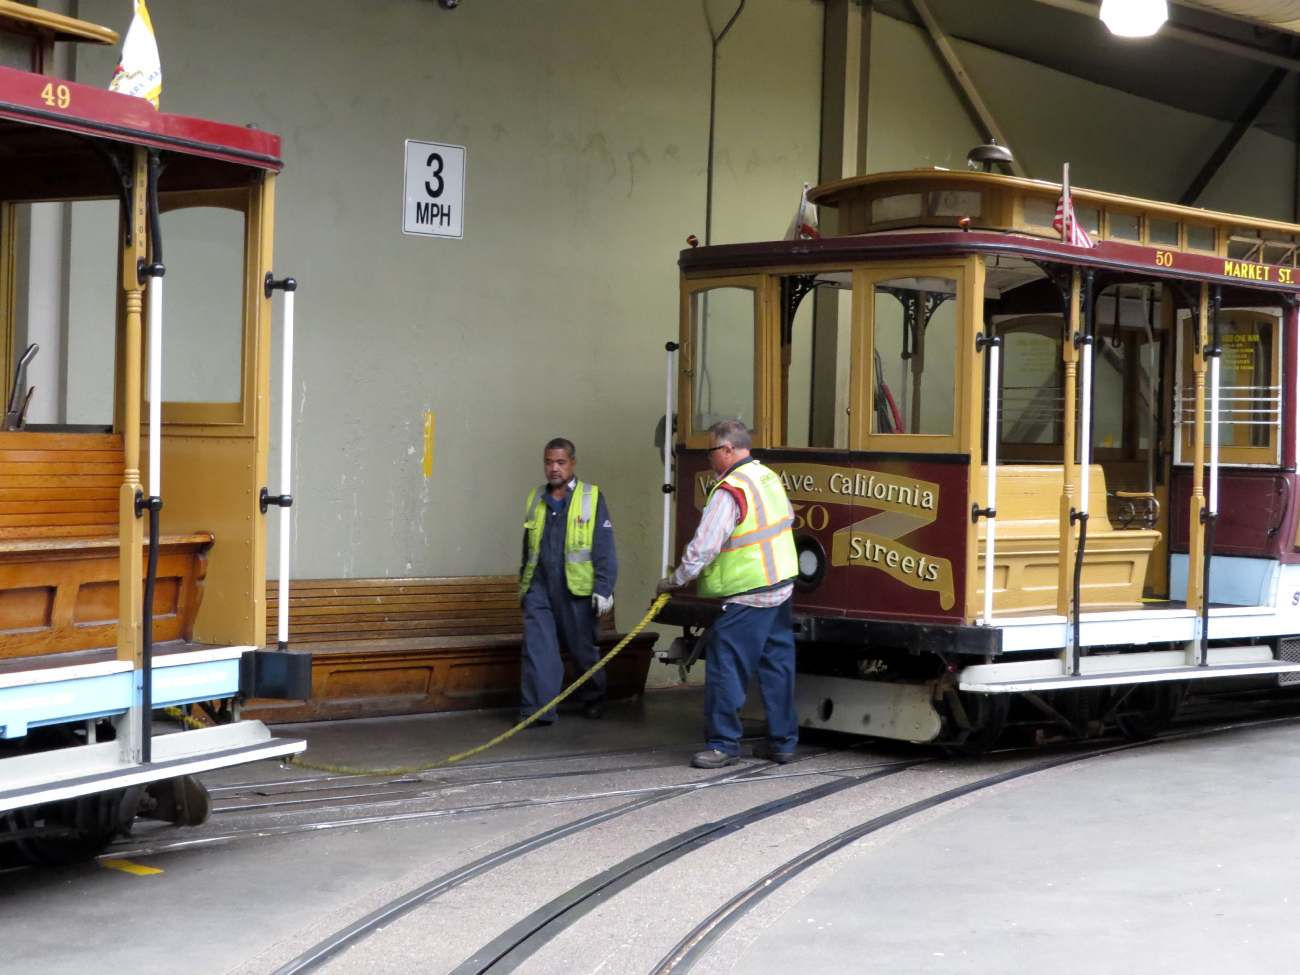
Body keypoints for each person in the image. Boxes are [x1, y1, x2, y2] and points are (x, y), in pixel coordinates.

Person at [657, 420, 799, 768]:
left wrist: (675, 580)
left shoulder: (729, 490)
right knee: (777, 666)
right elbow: (789, 518)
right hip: (780, 586)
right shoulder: (767, 477)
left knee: (726, 667)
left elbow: (704, 547)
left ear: (727, 450)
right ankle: (782, 743)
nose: (708, 459)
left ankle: (723, 745)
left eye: (710, 452)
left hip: (749, 593)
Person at [519, 438, 617, 725]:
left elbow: (604, 546)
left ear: (573, 463)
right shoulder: (536, 498)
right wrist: (525, 587)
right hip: (540, 587)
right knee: (538, 649)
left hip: (576, 589)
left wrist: (604, 587)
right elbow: (528, 548)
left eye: (561, 462)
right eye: (549, 462)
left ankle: (593, 695)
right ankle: (537, 711)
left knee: (582, 650)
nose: (554, 468)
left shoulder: (591, 497)